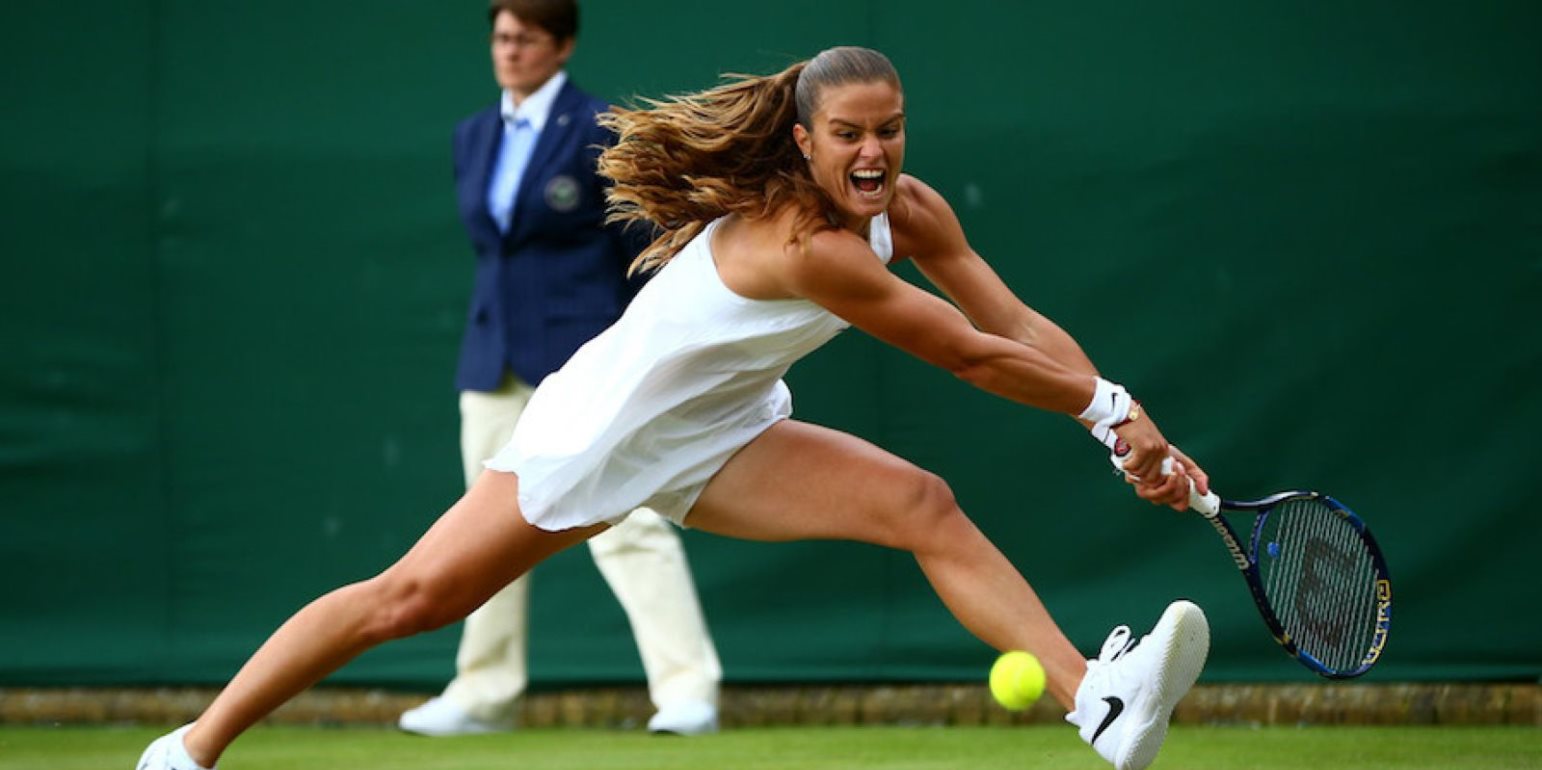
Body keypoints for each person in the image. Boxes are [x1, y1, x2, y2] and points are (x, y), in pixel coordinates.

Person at [136, 46, 1214, 770]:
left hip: (721, 428)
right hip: (598, 428)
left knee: (921, 502)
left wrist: (1129, 421)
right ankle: (188, 748)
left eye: (888, 130)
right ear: (803, 140)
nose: (874, 153)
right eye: (848, 134)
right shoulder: (810, 247)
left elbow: (1015, 323)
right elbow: (969, 357)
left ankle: (1095, 701)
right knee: (409, 597)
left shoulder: (910, 211)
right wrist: (1110, 412)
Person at [397, 0, 721, 738]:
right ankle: (483, 693)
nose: (509, 51)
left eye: (526, 39)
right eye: (501, 38)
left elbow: (643, 249)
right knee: (479, 533)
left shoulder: (600, 128)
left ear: (561, 45)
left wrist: (646, 350)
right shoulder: (472, 136)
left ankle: (686, 691)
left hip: (585, 362)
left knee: (627, 522)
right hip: (492, 359)